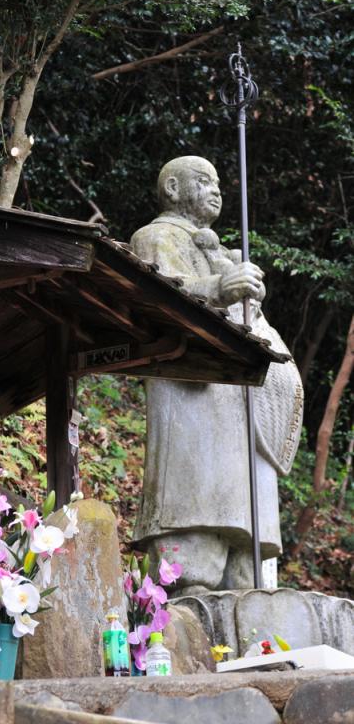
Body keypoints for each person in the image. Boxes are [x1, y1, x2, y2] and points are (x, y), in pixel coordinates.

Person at [131, 156, 303, 592]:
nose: (216, 190)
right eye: (203, 181)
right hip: (193, 398)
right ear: (171, 187)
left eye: (219, 184)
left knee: (246, 562)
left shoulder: (221, 252)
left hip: (241, 408)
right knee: (194, 538)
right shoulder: (155, 237)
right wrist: (217, 288)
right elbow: (158, 299)